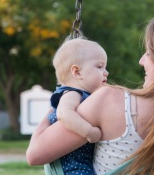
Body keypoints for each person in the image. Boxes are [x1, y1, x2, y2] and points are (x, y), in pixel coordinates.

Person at [27, 14, 154, 175]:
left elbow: (35, 154)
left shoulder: (110, 101)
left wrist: (60, 102)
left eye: (150, 52)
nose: (142, 60)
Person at [43, 37, 109, 174]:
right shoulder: (73, 93)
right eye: (99, 66)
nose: (106, 72)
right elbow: (64, 114)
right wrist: (89, 131)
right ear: (77, 72)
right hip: (72, 165)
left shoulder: (82, 94)